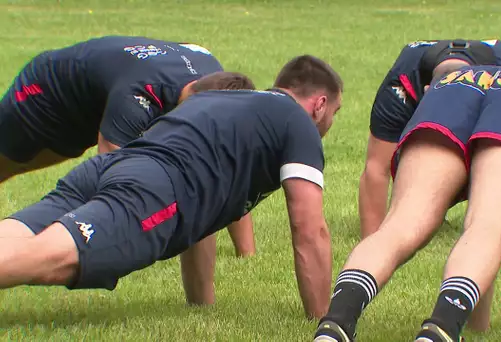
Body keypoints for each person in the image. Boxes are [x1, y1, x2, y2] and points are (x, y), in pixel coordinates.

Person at [0, 54, 343, 319]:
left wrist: (201, 307)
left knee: (21, 233)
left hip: (108, 167)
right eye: (335, 113)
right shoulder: (297, 122)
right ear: (319, 105)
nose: (330, 123)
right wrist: (322, 321)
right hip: (151, 190)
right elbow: (308, 228)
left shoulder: (225, 101)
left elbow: (203, 222)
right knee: (51, 258)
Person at [313, 64, 501, 342]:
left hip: (454, 88)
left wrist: (479, 326)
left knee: (402, 224)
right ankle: (441, 329)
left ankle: (335, 323)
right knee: (491, 224)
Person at [0, 35, 256, 257]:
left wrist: (247, 257)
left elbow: (223, 164)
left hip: (98, 101)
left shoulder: (216, 78)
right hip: (48, 92)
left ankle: (246, 253)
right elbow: (110, 176)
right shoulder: (138, 96)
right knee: (7, 164)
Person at [359, 39, 501, 247]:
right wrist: (372, 242)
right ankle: (428, 202)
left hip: (495, 88)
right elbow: (377, 168)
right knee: (426, 155)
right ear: (427, 92)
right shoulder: (399, 89)